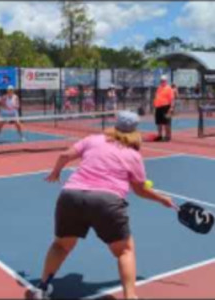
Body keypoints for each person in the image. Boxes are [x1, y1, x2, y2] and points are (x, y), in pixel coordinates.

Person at [31, 111, 176, 299]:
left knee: (60, 246)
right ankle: (130, 296)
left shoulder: (93, 139)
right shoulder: (133, 155)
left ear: (115, 125)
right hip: (106, 202)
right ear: (134, 131)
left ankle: (42, 288)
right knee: (125, 251)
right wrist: (162, 199)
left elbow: (64, 155)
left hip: (70, 196)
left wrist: (55, 173)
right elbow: (139, 190)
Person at [153, 75, 174, 142]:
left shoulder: (169, 88)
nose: (162, 82)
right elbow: (157, 97)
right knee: (159, 122)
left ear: (166, 81)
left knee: (166, 122)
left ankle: (168, 136)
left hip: (166, 107)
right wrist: (155, 105)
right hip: (158, 107)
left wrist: (171, 108)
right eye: (161, 80)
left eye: (163, 80)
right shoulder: (159, 88)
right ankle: (160, 136)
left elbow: (172, 99)